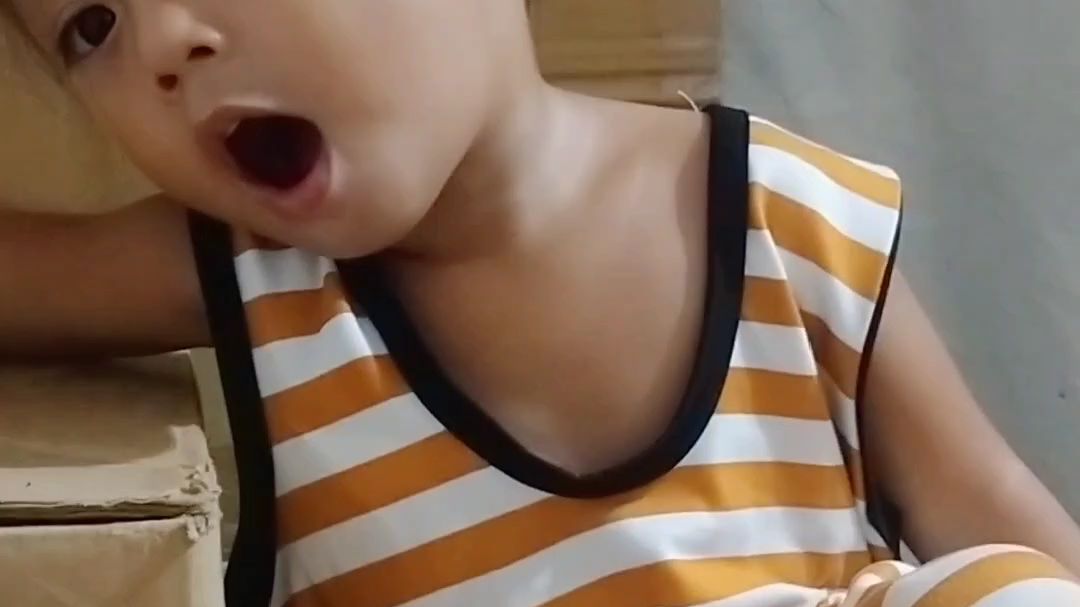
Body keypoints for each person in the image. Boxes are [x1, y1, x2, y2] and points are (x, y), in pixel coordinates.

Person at [2, 1, 1079, 605]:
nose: (161, 42)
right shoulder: (258, 276)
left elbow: (986, 507)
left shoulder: (782, 213)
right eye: (91, 27)